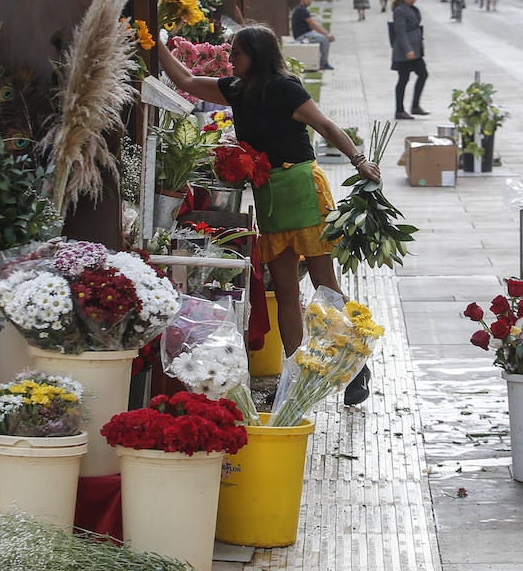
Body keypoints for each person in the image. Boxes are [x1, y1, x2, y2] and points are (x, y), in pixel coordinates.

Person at [156, 25, 380, 404]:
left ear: (256, 55)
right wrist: (155, 43)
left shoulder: (284, 87)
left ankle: (355, 366)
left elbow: (324, 124)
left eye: (237, 53)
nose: (230, 59)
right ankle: (295, 377)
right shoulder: (236, 89)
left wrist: (358, 160)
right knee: (288, 293)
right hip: (269, 195)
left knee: (326, 286)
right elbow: (186, 79)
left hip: (303, 187)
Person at [390, 0, 429, 120]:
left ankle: (415, 106)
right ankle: (399, 110)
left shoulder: (411, 9)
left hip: (416, 51)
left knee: (423, 74)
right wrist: (408, 49)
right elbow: (400, 32)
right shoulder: (400, 10)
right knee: (403, 80)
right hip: (405, 52)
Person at [291, 0, 336, 71]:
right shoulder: (301, 10)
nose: (310, 1)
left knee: (322, 38)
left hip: (307, 34)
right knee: (324, 40)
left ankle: (321, 61)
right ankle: (323, 63)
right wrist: (327, 34)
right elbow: (313, 24)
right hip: (303, 38)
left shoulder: (301, 9)